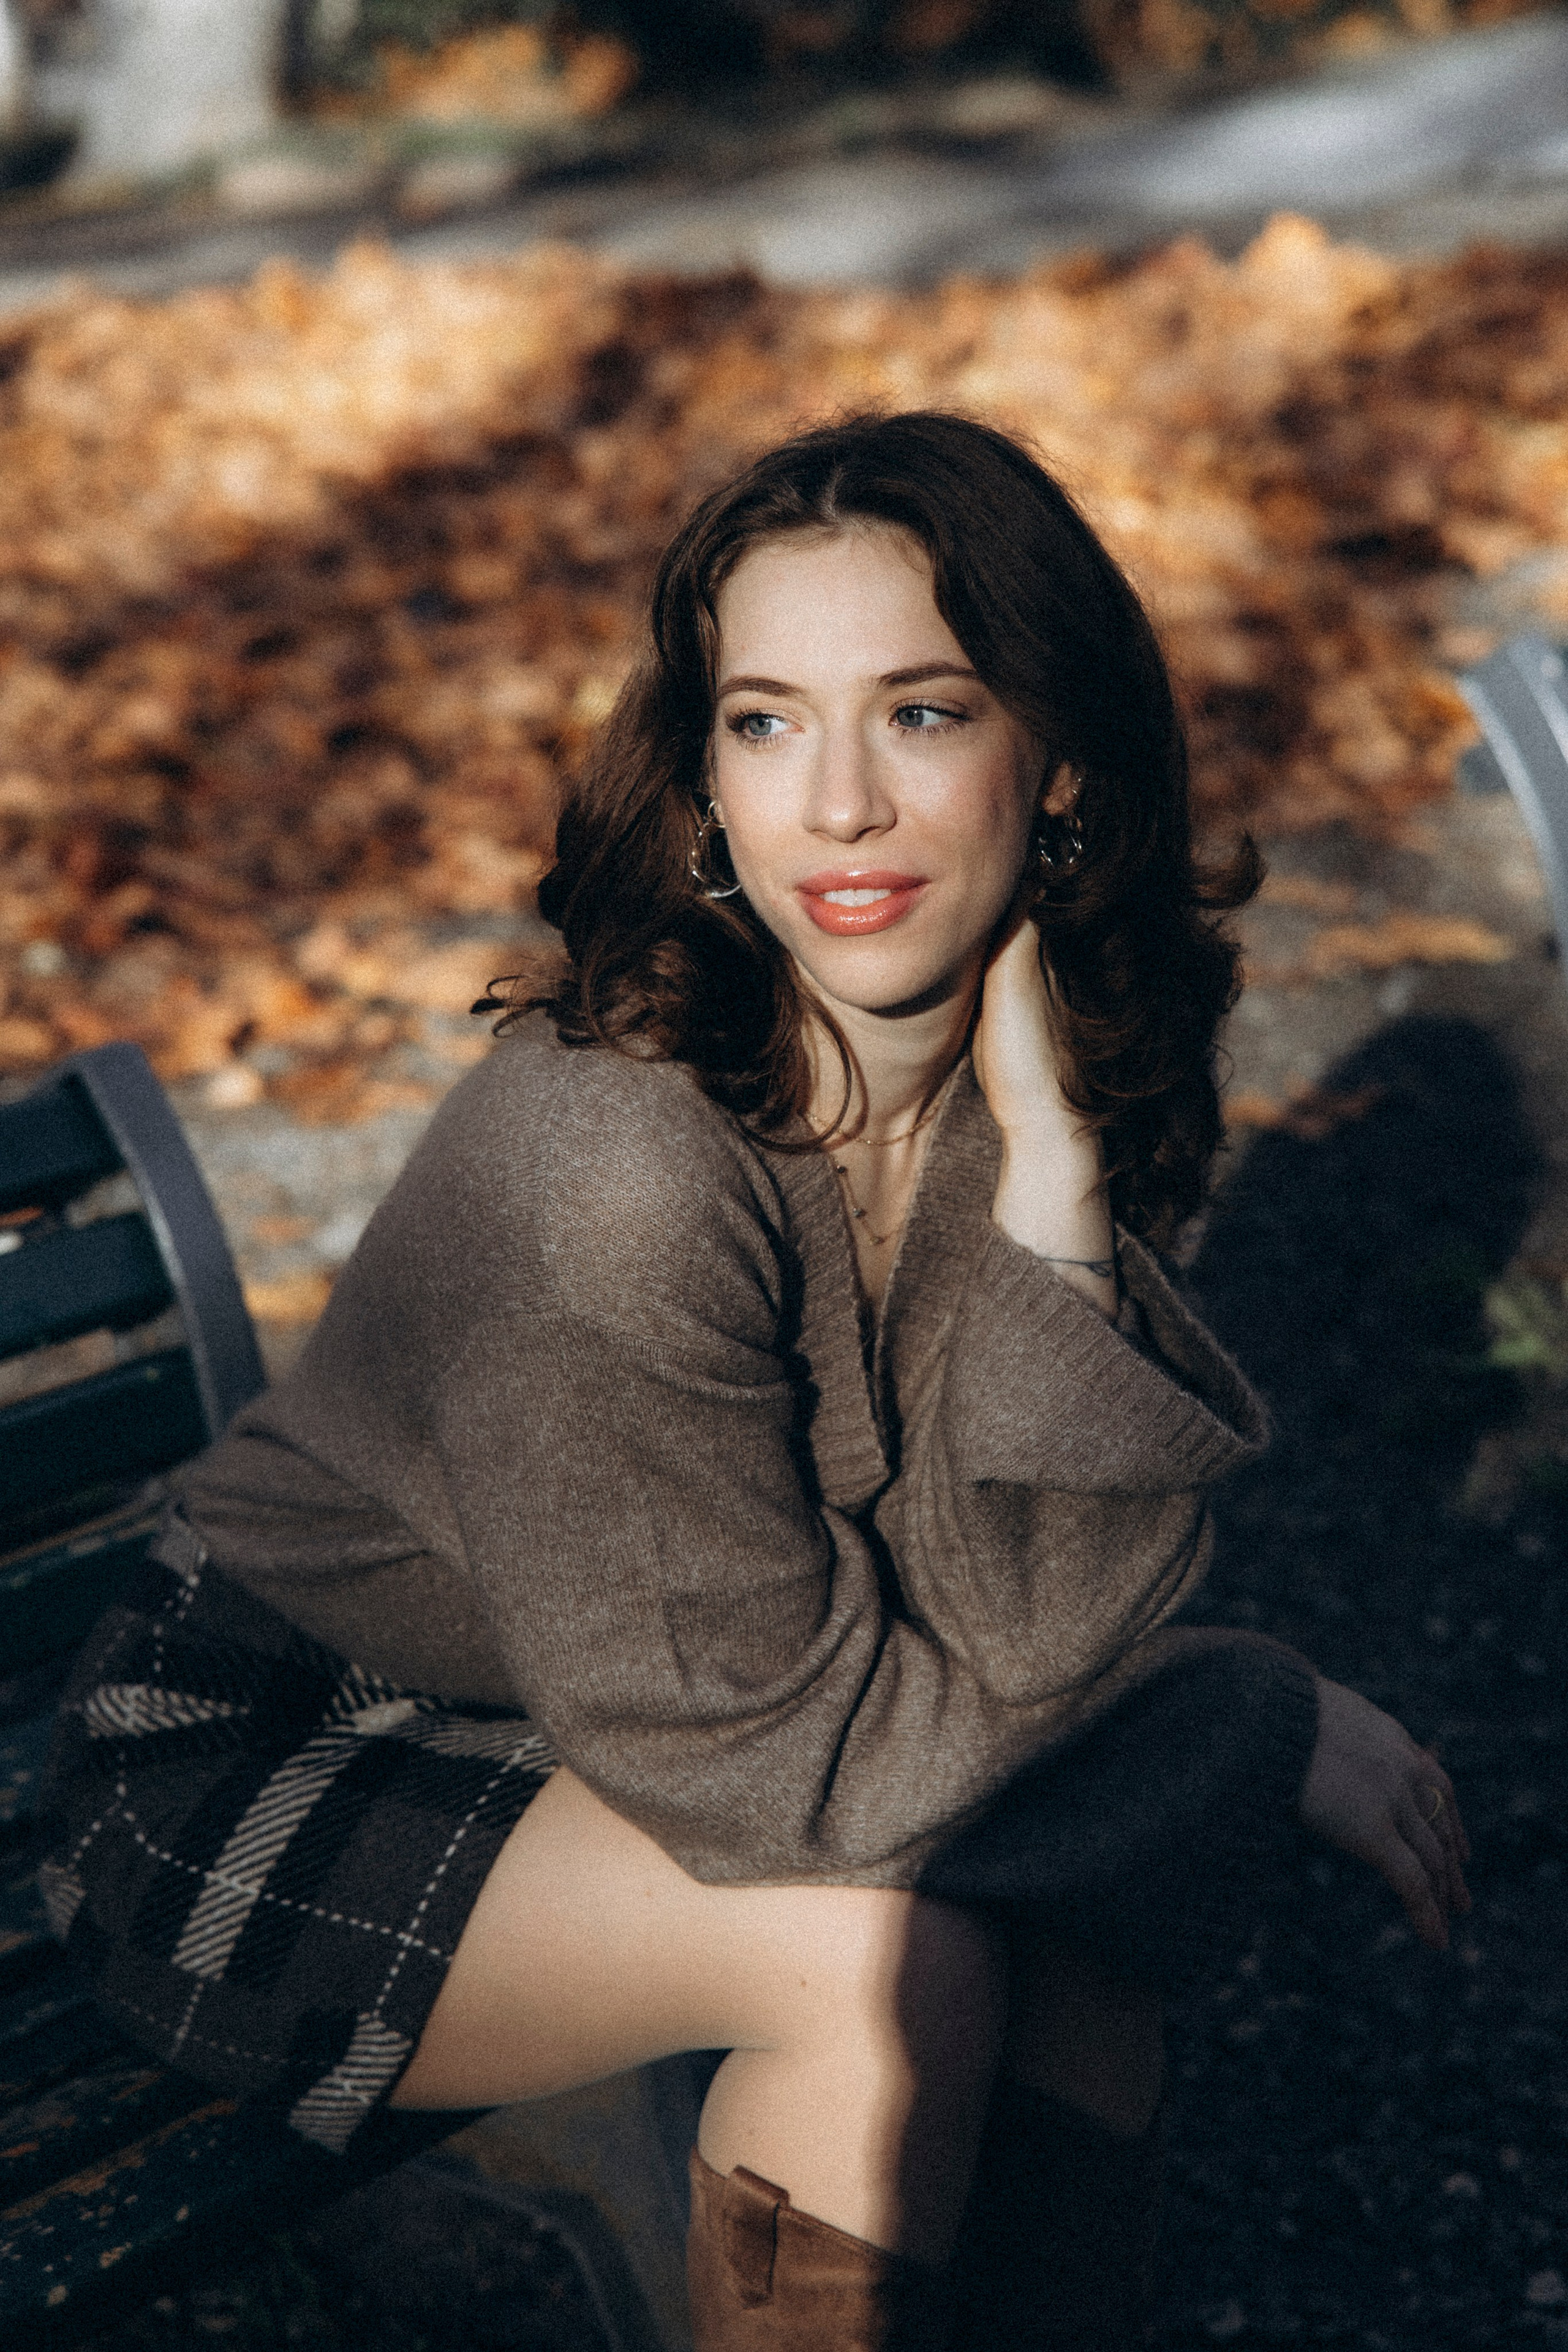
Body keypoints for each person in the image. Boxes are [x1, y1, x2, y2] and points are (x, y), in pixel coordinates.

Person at [42, 412, 1471, 2351]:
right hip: (262, 1758)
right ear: (702, 789)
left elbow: (992, 1631)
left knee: (1061, 1928)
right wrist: (1236, 1720)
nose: (844, 808)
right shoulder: (617, 1171)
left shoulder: (1020, 1084)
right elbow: (794, 1784)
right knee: (874, 1955)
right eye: (769, 722)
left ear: (1055, 763)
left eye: (927, 714)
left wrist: (1052, 1204)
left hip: (635, 1701)